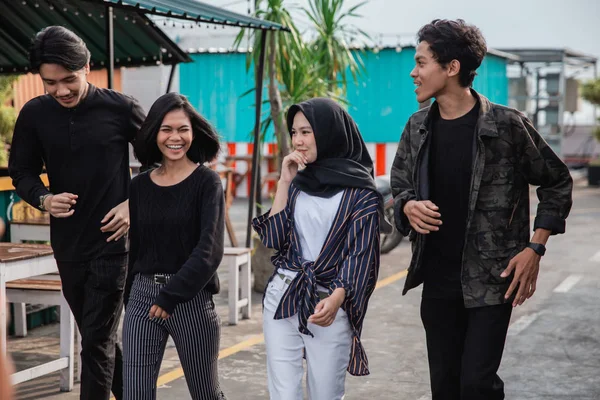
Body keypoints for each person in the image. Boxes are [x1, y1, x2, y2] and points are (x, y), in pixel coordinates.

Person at [391, 19, 573, 400]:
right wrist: (407, 206)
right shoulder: (417, 127)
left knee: (476, 386)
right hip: (437, 283)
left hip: (491, 282)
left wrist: (535, 248)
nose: (414, 72)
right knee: (445, 388)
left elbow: (556, 181)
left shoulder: (506, 126)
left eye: (422, 62)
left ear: (451, 68)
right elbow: (400, 189)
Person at [8, 26, 145, 400]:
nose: (60, 90)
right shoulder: (35, 114)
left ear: (87, 66)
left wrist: (133, 204)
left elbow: (161, 163)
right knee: (96, 335)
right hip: (67, 245)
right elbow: (21, 171)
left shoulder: (120, 107)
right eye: (50, 82)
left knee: (97, 339)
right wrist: (43, 199)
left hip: (114, 243)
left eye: (68, 79)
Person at [253, 98, 385, 400]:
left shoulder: (361, 193)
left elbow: (362, 256)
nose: (297, 141)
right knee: (283, 395)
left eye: (306, 132)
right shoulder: (299, 181)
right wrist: (284, 182)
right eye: (294, 132)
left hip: (328, 303)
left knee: (325, 394)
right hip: (282, 297)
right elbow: (273, 238)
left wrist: (338, 297)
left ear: (329, 132)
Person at [123, 92, 226, 400]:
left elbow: (209, 251)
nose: (175, 137)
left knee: (205, 393)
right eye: (166, 129)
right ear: (154, 132)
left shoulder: (207, 183)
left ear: (194, 133)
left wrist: (170, 296)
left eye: (183, 129)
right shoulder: (139, 185)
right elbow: (137, 247)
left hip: (190, 298)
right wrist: (131, 300)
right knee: (135, 395)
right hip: (143, 296)